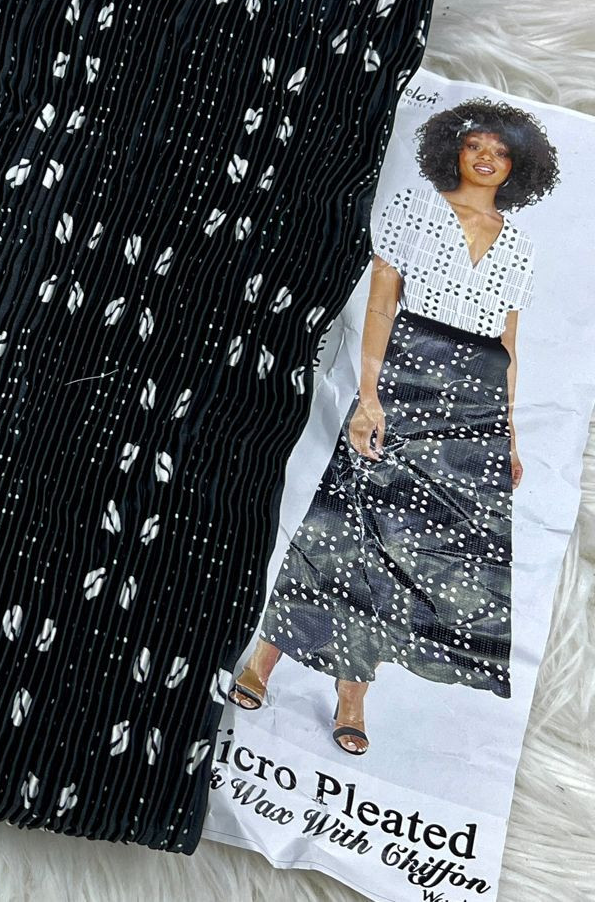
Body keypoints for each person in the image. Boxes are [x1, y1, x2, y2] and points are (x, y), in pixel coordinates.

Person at [227, 98, 558, 755]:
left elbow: (509, 344)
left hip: (471, 406)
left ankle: (353, 692)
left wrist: (509, 433)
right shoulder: (415, 209)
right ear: (455, 149)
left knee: (405, 553)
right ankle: (264, 657)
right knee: (339, 527)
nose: (486, 157)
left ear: (516, 165)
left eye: (500, 151)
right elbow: (381, 305)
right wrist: (369, 397)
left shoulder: (520, 245)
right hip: (404, 377)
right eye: (476, 145)